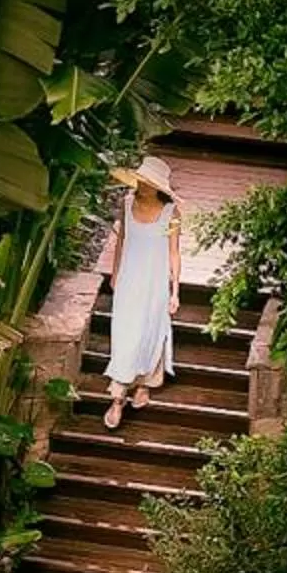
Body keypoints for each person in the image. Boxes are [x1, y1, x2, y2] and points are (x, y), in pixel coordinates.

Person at [100, 155, 182, 430]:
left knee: (151, 332)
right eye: (141, 180)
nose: (141, 186)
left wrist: (175, 291)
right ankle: (117, 398)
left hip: (155, 282)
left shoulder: (172, 213)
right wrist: (115, 273)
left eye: (148, 183)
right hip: (128, 280)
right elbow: (122, 239)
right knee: (125, 336)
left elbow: (174, 253)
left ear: (158, 187)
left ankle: (144, 383)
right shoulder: (126, 204)